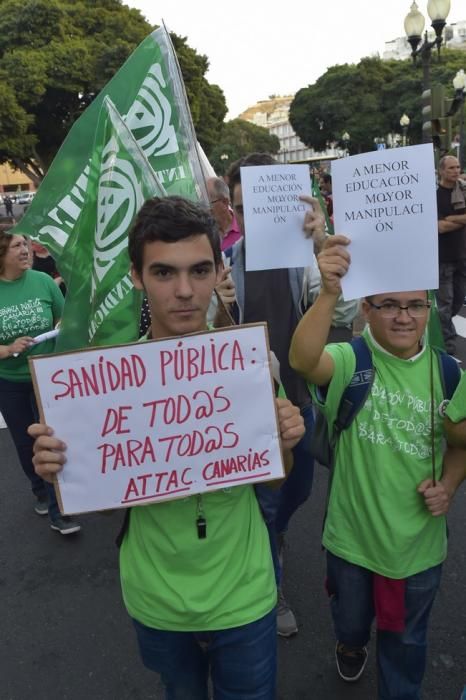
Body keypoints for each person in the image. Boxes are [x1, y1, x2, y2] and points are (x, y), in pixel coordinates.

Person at [30, 195, 305, 699]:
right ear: (136, 276)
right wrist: (65, 471)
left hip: (244, 593)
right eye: (163, 273)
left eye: (200, 270)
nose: (184, 291)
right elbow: (110, 502)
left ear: (219, 268)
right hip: (156, 598)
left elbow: (274, 476)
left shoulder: (248, 364)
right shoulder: (102, 387)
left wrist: (283, 440)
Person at [289, 234, 465, 699]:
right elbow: (303, 359)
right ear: (366, 310)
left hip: (418, 550)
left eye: (415, 305)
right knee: (349, 621)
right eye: (388, 304)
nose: (403, 316)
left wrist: (448, 485)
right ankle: (349, 645)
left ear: (429, 311)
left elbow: (461, 442)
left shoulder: (450, 374)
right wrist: (329, 291)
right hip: (350, 543)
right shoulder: (354, 360)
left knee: (406, 648)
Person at [224, 152, 357, 637]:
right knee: (264, 503)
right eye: (241, 207)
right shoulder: (225, 261)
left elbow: (344, 316)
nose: (250, 216)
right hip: (244, 413)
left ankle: (274, 536)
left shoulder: (306, 259)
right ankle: (269, 582)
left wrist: (323, 244)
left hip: (298, 404)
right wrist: (219, 305)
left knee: (296, 491)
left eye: (260, 204)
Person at [0, 230, 80, 535]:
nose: (25, 250)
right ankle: (39, 489)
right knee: (24, 443)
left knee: (52, 436)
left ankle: (59, 509)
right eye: (17, 246)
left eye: (25, 244)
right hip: (9, 380)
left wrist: (63, 326)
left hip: (46, 376)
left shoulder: (44, 282)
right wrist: (7, 349)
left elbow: (65, 321)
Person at [436, 155, 466, 355]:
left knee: (458, 300)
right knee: (444, 305)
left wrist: (450, 219)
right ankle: (448, 345)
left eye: (458, 167)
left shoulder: (463, 191)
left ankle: (444, 331)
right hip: (443, 258)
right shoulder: (435, 195)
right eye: (451, 168)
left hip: (462, 256)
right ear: (441, 171)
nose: (456, 171)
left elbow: (445, 223)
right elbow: (438, 227)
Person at [206, 176, 242, 251]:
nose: (206, 209)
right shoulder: (205, 234)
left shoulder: (244, 228)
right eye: (203, 202)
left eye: (209, 203)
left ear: (225, 202)